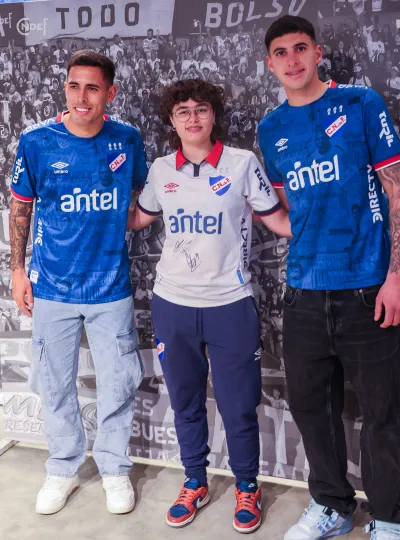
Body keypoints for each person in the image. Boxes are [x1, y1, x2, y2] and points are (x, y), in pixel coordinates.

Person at [258, 16, 400, 540]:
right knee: (311, 409)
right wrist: (268, 218)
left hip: (367, 288)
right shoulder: (271, 129)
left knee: (382, 411)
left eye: (300, 48)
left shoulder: (360, 103)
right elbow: (291, 210)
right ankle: (332, 505)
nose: (292, 59)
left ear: (318, 53)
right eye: (281, 52)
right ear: (270, 63)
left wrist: (396, 276)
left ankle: (387, 516)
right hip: (303, 292)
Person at [128, 79, 292, 533]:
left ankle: (247, 486)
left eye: (201, 109)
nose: (193, 118)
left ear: (214, 115)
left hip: (230, 304)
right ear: (172, 119)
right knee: (185, 402)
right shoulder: (161, 169)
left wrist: (326, 227)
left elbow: (277, 219)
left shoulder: (242, 163)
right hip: (173, 303)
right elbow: (138, 217)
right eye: (183, 111)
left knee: (239, 406)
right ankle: (194, 481)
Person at [9, 50, 147, 516]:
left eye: (92, 87)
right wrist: (17, 270)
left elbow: (142, 199)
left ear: (110, 92)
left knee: (118, 384)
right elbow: (21, 207)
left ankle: (113, 468)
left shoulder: (127, 139)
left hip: (111, 287)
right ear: (65, 87)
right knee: (53, 385)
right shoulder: (36, 141)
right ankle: (63, 467)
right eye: (73, 85)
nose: (81, 96)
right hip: (52, 288)